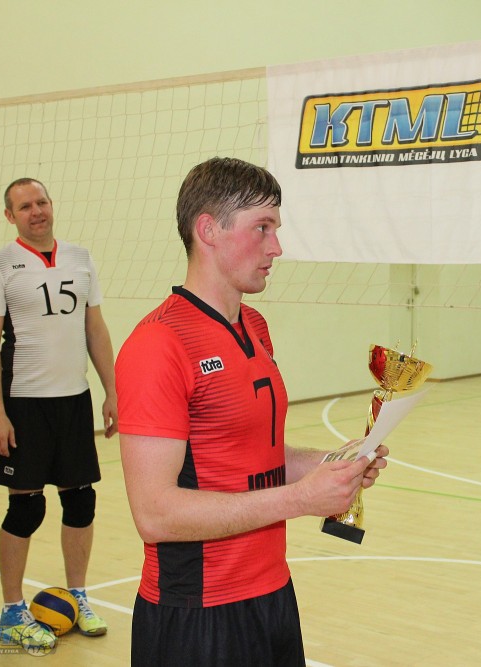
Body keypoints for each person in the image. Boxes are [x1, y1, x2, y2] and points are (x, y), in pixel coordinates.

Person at [115, 157, 387, 666]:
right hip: (197, 614)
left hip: (272, 596)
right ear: (208, 230)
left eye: (276, 229)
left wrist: (332, 465)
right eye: (262, 228)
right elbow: (154, 513)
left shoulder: (255, 327)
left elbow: (249, 456)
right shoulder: (159, 344)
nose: (276, 247)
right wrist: (300, 499)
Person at [0, 178, 117, 653]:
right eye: (24, 206)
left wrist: (112, 391)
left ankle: (77, 597)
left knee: (81, 503)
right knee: (26, 508)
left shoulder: (80, 258)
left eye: (41, 202)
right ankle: (12, 612)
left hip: (73, 399)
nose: (36, 211)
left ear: (51, 205)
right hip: (24, 403)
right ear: (10, 216)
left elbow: (95, 328)